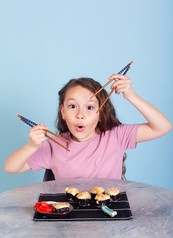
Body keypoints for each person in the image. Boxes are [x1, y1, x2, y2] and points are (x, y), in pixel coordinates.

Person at [4, 74, 172, 180]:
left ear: (100, 113)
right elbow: (10, 167)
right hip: (68, 218)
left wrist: (131, 96)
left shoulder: (116, 136)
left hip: (110, 216)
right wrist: (32, 145)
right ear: (62, 112)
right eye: (72, 106)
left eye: (90, 107)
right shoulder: (54, 145)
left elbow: (162, 127)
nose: (80, 114)